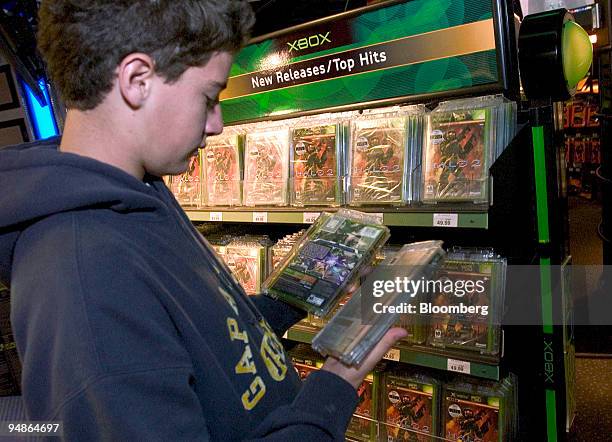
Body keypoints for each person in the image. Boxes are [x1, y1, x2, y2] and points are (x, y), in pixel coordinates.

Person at [0, 1, 407, 440]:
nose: (217, 123)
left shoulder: (138, 190)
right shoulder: (84, 279)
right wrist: (332, 389)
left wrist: (296, 295)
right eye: (209, 97)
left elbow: (204, 340)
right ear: (137, 81)